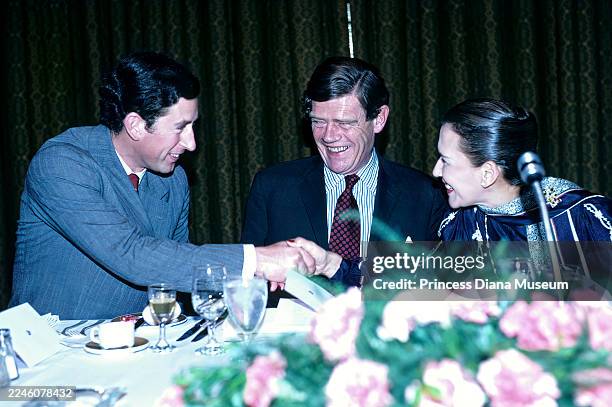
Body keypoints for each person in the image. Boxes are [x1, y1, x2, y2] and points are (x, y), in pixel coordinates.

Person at [10, 52, 314, 319]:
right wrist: (257, 260)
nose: (192, 144)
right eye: (180, 128)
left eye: (193, 126)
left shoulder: (173, 180)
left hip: (135, 348)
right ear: (136, 125)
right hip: (52, 352)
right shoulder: (62, 164)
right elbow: (132, 254)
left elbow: (173, 265)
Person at [290, 98, 611, 288]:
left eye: (447, 161)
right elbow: (406, 283)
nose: (436, 171)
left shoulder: (585, 219)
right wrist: (330, 263)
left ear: (487, 173)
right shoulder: (460, 225)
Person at [241, 56, 448, 287]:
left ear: (379, 119)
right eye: (318, 121)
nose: (328, 136)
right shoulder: (272, 188)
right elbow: (247, 283)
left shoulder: (425, 195)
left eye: (344, 122)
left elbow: (443, 289)